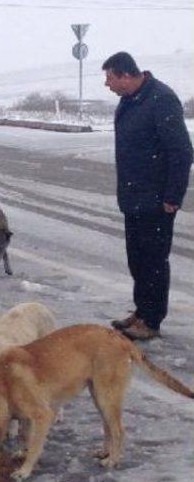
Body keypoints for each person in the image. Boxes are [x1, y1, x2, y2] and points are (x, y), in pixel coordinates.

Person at [103, 52, 192, 340]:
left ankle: (151, 320)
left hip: (156, 200)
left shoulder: (161, 99)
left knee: (153, 262)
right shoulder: (130, 101)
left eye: (110, 77)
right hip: (133, 197)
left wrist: (172, 196)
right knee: (137, 259)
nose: (107, 84)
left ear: (125, 75)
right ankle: (141, 312)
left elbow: (181, 151)